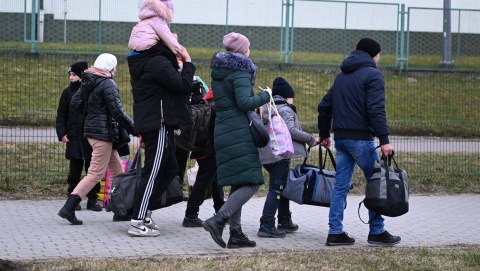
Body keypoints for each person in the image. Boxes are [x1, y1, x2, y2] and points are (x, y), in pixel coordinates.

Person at [317, 38, 401, 246]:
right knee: (377, 182)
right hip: (361, 140)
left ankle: (335, 233)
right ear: (373, 54)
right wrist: (384, 140)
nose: (380, 58)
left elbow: (324, 106)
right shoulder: (373, 75)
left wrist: (325, 133)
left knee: (340, 187)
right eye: (379, 54)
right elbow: (376, 109)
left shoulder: (341, 76)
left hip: (342, 139)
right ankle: (377, 231)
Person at [202, 32, 271, 249]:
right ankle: (218, 219)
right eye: (248, 46)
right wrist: (266, 95)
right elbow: (244, 102)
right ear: (243, 50)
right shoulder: (240, 71)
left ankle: (236, 234)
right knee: (252, 182)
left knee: (239, 181)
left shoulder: (220, 71)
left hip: (224, 129)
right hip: (239, 132)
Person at [127, 32, 195, 237]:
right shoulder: (157, 61)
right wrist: (189, 62)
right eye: (172, 37)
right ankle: (137, 221)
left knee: (170, 169)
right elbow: (183, 86)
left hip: (163, 121)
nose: (176, 41)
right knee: (153, 171)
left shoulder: (157, 60)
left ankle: (145, 210)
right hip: (158, 123)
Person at [57, 53, 135, 225]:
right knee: (95, 174)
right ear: (109, 67)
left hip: (93, 133)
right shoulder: (108, 84)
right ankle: (68, 208)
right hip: (102, 135)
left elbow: (76, 104)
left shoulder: (88, 81)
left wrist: (92, 115)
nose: (115, 69)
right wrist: (135, 129)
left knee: (117, 173)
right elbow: (117, 112)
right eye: (114, 66)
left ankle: (119, 210)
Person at [257, 77, 321, 238]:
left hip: (267, 154)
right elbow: (291, 130)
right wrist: (311, 139)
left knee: (281, 186)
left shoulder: (267, 107)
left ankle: (284, 220)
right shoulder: (284, 109)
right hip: (278, 155)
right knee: (276, 189)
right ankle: (266, 224)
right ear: (286, 97)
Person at [55, 61, 103, 212]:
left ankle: (93, 199)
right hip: (74, 137)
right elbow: (61, 115)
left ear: (82, 75)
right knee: (74, 170)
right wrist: (62, 133)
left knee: (92, 169)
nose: (71, 78)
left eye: (74, 75)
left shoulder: (91, 91)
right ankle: (73, 196)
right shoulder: (67, 93)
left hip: (89, 136)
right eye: (70, 75)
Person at [182, 88, 225, 227]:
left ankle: (220, 211)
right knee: (203, 183)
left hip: (205, 150)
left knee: (216, 181)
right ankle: (191, 214)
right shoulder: (218, 107)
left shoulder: (207, 102)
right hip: (210, 151)